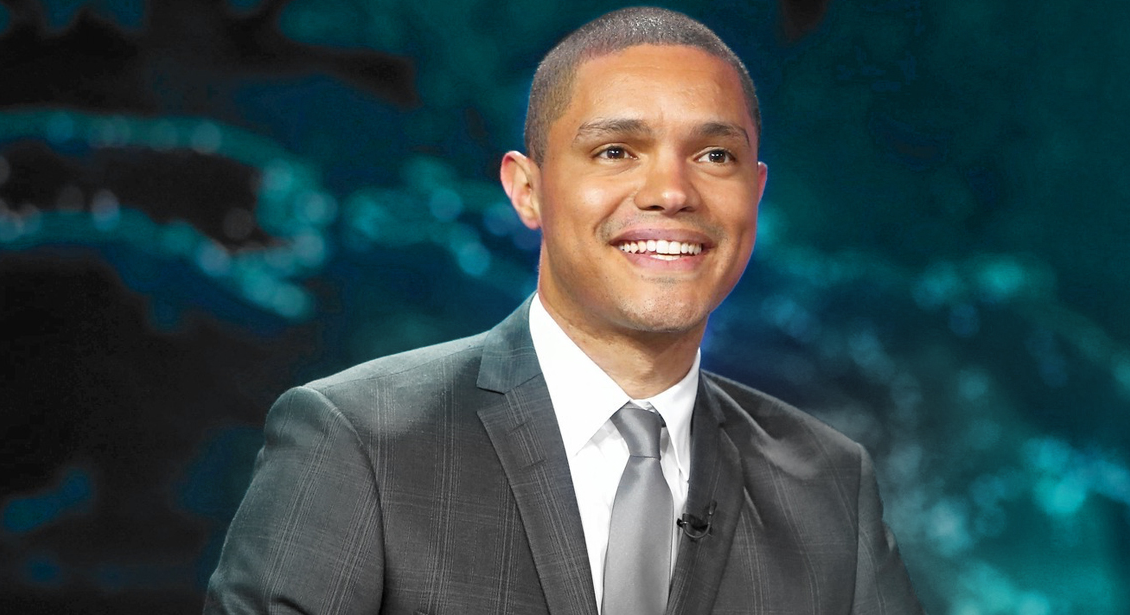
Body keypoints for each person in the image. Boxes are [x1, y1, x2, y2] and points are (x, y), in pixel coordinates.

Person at [203, 7, 921, 614]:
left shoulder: (832, 484)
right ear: (527, 190)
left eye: (714, 156)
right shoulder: (356, 441)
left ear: (755, 194)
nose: (671, 191)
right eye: (616, 150)